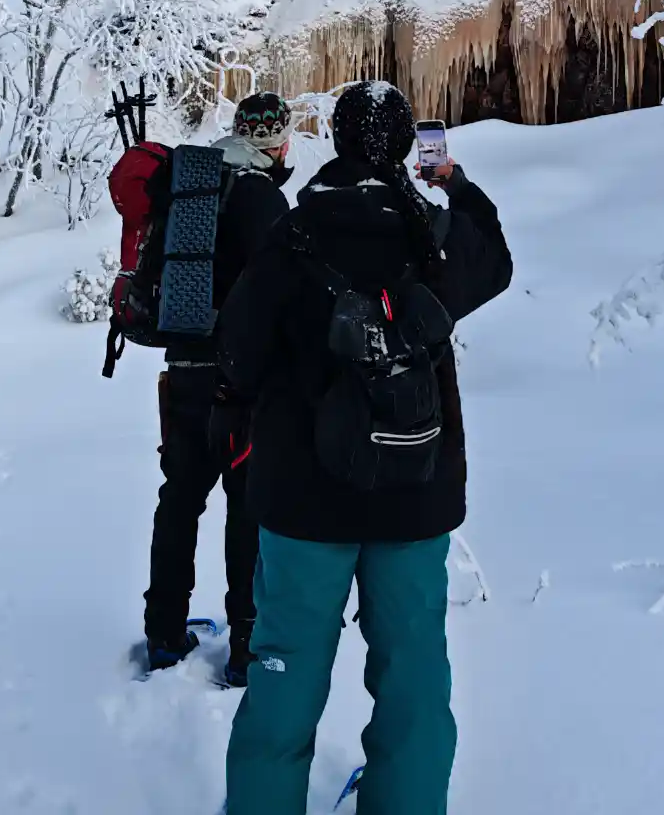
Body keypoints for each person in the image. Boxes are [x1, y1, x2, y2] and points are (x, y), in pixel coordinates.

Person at [215, 81, 514, 815]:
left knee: (283, 677)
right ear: (410, 148)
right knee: (414, 678)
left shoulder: (291, 236)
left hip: (300, 502)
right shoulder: (433, 238)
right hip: (413, 495)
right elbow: (497, 264)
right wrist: (459, 188)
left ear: (336, 140)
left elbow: (238, 361)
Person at [143, 91, 294, 686]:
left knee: (179, 497)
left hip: (182, 368)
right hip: (239, 380)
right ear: (275, 144)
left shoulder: (190, 184)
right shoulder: (261, 198)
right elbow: (279, 293)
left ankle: (163, 634)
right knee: (246, 505)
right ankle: (245, 646)